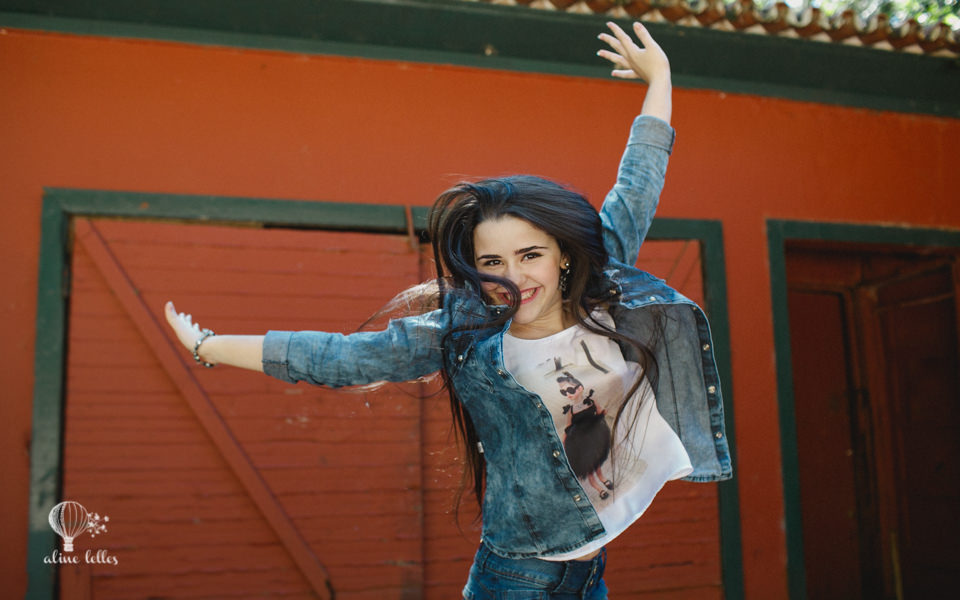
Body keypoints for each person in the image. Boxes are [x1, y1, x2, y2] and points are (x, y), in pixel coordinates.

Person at [164, 21, 731, 600]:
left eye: (530, 255)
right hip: (517, 578)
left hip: (587, 573)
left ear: (562, 254)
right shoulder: (465, 335)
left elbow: (637, 184)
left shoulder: (599, 284)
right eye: (493, 262)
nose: (513, 278)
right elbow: (344, 358)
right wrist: (209, 346)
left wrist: (660, 80)